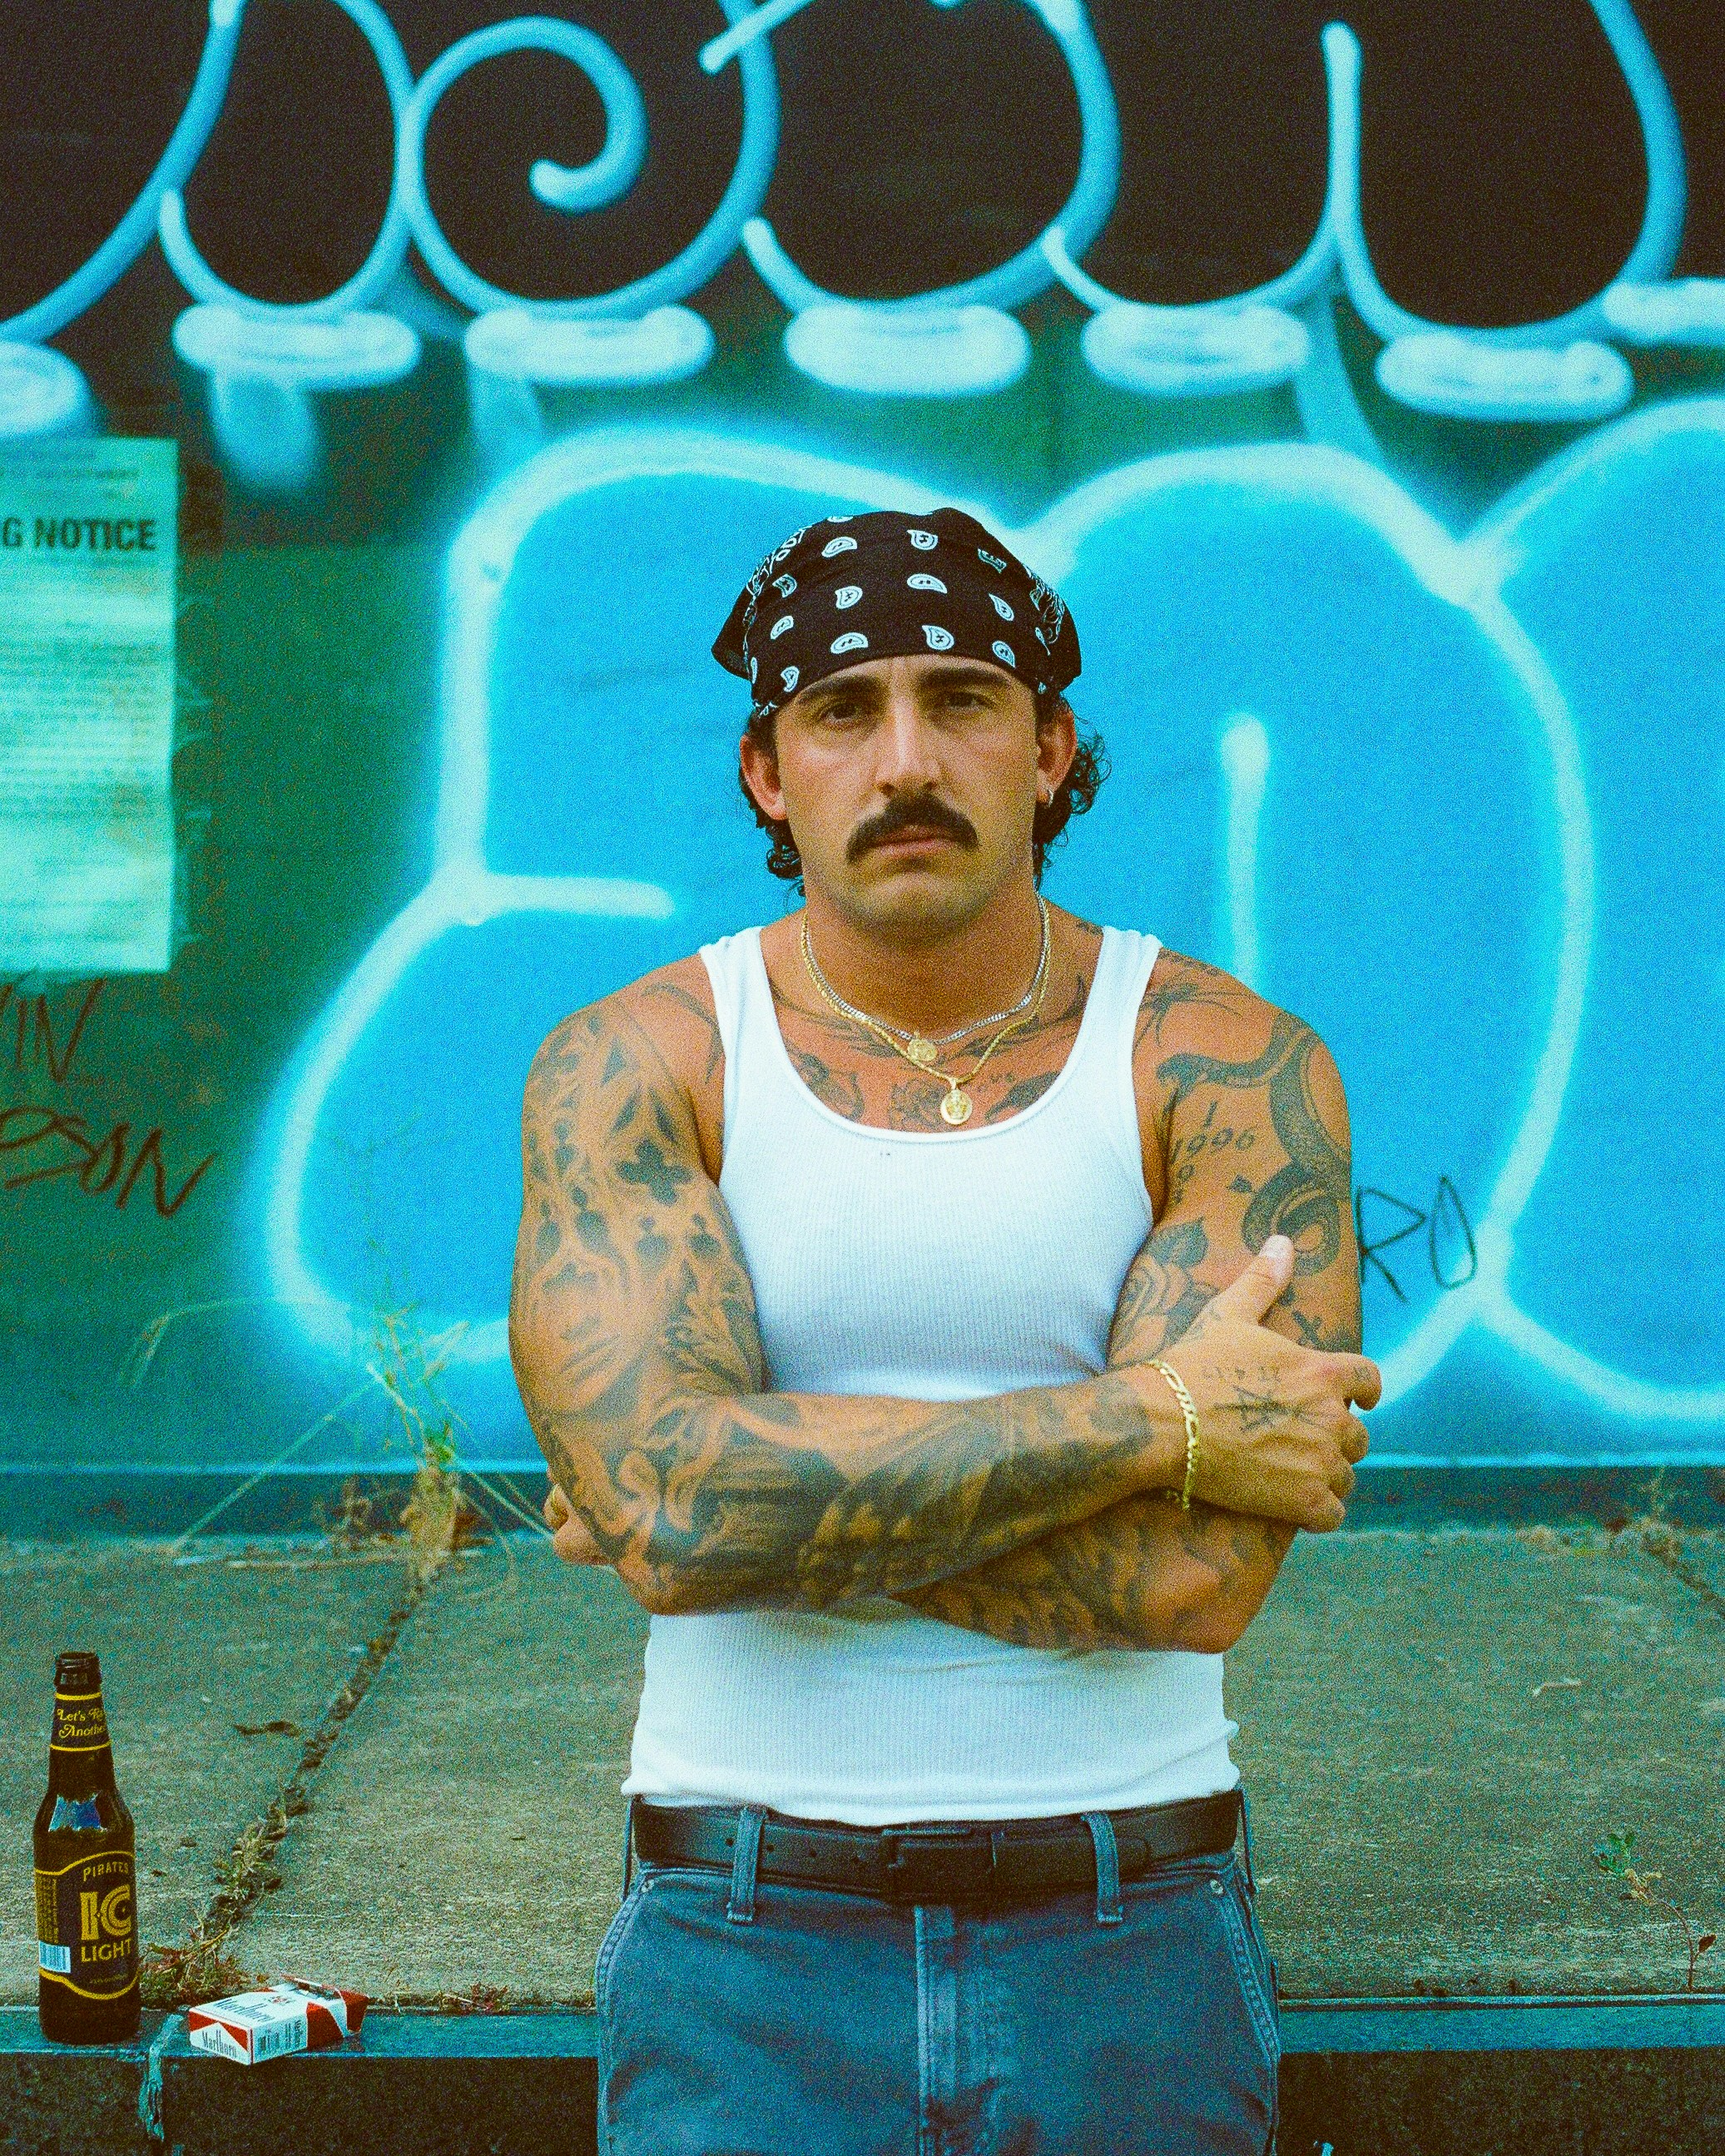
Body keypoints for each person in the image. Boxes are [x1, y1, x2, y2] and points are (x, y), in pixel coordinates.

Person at [509, 507, 1379, 2154]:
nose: (905, 756)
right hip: (738, 1926)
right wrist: (1153, 1423)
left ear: (1048, 749)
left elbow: (1193, 1583)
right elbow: (675, 1510)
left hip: (1130, 1921)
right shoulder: (639, 1064)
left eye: (961, 699)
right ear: (769, 770)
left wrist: (726, 1502)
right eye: (842, 710)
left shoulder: (1216, 1062)